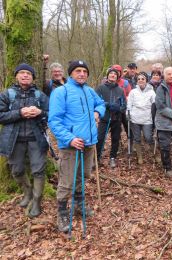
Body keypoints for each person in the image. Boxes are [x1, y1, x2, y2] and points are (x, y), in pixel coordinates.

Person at [49, 60, 105, 233]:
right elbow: (54, 121)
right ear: (71, 73)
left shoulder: (89, 91)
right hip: (71, 145)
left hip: (89, 142)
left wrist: (97, 112)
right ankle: (62, 212)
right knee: (67, 180)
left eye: (84, 71)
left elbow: (101, 104)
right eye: (78, 71)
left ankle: (79, 204)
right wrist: (70, 138)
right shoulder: (61, 92)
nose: (82, 74)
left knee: (83, 175)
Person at [0, 64, 49, 218]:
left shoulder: (40, 95)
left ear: (33, 77)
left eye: (28, 73)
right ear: (16, 76)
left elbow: (51, 114)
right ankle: (27, 192)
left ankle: (36, 200)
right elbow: (1, 116)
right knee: (16, 170)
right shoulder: (7, 95)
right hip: (14, 140)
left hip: (36, 139)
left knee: (38, 170)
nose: (25, 75)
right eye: (22, 73)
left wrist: (40, 112)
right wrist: (19, 113)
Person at [95, 66, 126, 168]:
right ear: (107, 76)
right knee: (100, 138)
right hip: (104, 118)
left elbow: (124, 105)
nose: (113, 75)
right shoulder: (100, 88)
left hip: (116, 119)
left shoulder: (120, 90)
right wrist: (107, 105)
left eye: (115, 74)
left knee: (115, 139)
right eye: (111, 74)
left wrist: (118, 108)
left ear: (117, 77)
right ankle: (97, 157)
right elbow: (96, 101)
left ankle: (112, 158)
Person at [127, 72, 156, 164]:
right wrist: (128, 114)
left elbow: (155, 104)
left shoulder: (151, 92)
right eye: (139, 79)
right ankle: (140, 157)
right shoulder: (133, 92)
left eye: (142, 79)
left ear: (146, 80)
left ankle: (156, 154)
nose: (140, 80)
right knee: (137, 138)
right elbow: (129, 104)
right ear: (137, 81)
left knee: (148, 137)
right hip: (135, 118)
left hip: (147, 118)